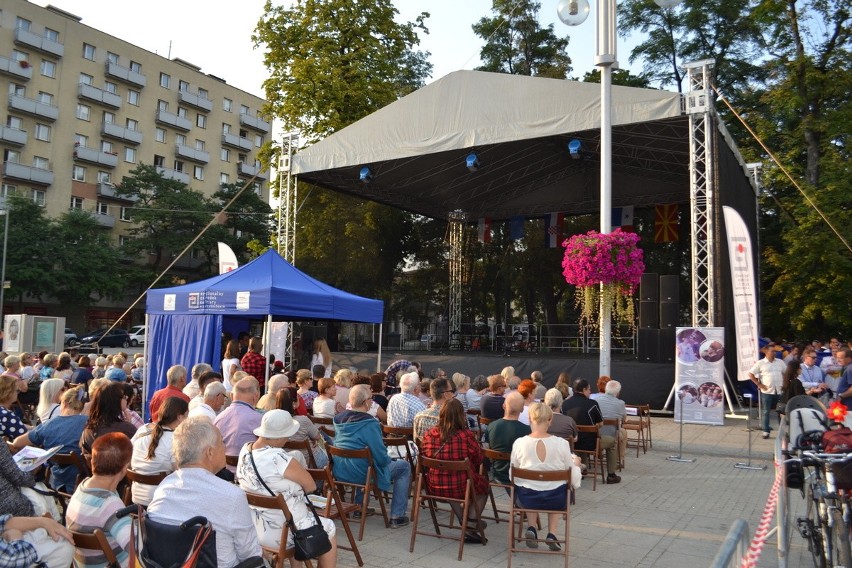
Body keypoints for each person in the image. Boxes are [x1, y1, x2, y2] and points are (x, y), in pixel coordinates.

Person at [148, 417, 264, 567]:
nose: (225, 447)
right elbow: (250, 554)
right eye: (222, 442)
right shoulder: (232, 496)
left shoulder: (164, 488)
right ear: (209, 452)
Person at [237, 410, 338, 567]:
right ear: (280, 436)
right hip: (284, 531)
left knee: (294, 516)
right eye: (287, 435)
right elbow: (310, 485)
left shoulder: (245, 450)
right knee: (328, 528)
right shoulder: (278, 457)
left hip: (255, 528)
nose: (287, 439)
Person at [333, 385, 412, 528]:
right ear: (366, 402)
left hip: (341, 470)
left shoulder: (338, 419)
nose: (372, 401)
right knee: (404, 467)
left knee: (361, 458)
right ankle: (397, 516)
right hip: (363, 472)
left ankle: (359, 507)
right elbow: (381, 458)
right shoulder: (370, 423)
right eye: (371, 398)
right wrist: (389, 461)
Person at [511, 402, 582, 551]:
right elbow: (573, 478)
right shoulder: (561, 444)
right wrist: (576, 465)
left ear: (530, 419)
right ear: (550, 420)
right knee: (560, 485)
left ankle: (531, 527)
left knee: (528, 483)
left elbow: (513, 475)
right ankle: (552, 534)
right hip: (556, 499)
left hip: (526, 499)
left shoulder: (519, 443)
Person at [420, 399, 488, 543]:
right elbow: (478, 459)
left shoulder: (429, 434)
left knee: (454, 482)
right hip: (460, 485)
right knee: (483, 488)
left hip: (434, 486)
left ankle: (468, 523)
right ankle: (469, 524)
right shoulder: (466, 436)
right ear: (460, 416)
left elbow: (424, 455)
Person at [66, 433, 133, 567]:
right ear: (125, 468)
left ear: (92, 462)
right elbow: (136, 547)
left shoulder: (82, 488)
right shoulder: (109, 505)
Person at [12, 386, 88, 493]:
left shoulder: (49, 424)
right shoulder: (88, 423)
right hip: (82, 480)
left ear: (64, 403)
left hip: (57, 481)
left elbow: (17, 443)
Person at [130, 397, 189, 506]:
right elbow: (181, 473)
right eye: (187, 415)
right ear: (180, 417)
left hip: (136, 497)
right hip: (160, 500)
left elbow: (128, 452)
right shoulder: (174, 439)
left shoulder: (143, 429)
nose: (188, 419)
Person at [562, 379, 620, 484]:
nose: (590, 392)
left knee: (581, 438)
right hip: (590, 443)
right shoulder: (592, 404)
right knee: (612, 442)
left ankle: (581, 471)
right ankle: (611, 475)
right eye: (589, 389)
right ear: (584, 390)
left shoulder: (565, 404)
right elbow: (601, 423)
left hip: (571, 442)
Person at [79, 382, 137, 464]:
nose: (126, 398)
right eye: (124, 397)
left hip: (94, 471)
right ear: (116, 401)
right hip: (118, 473)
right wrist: (129, 423)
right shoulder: (126, 429)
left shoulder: (88, 427)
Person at [276, 388, 328, 468]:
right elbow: (317, 437)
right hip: (308, 461)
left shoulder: (273, 420)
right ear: (293, 403)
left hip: (283, 462)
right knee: (326, 449)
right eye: (298, 397)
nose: (300, 398)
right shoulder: (303, 420)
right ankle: (319, 480)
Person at [486, 392, 531, 485]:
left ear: (503, 406)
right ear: (522, 409)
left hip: (497, 474)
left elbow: (487, 446)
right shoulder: (527, 431)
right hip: (519, 476)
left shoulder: (491, 426)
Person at [0, 513, 74, 567]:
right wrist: (15, 537)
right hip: (19, 550)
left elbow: (3, 523)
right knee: (64, 548)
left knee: (63, 545)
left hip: (21, 531)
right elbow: (14, 560)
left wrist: (44, 522)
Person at [214, 377, 262, 459]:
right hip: (249, 469)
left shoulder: (218, 419)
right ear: (256, 396)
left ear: (232, 396)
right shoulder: (259, 419)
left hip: (222, 468)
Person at [748, 343, 787, 438]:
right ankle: (766, 431)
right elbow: (750, 374)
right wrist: (759, 384)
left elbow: (786, 373)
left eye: (775, 351)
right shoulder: (760, 363)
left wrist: (785, 385)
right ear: (766, 352)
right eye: (772, 351)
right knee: (766, 411)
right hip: (767, 391)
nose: (774, 353)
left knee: (781, 412)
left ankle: (782, 431)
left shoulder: (780, 362)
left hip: (779, 390)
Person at [594, 380, 627, 463]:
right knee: (624, 432)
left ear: (606, 389)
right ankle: (618, 459)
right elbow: (624, 419)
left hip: (596, 434)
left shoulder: (596, 400)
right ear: (618, 392)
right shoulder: (620, 403)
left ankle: (598, 454)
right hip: (613, 434)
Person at [0, 374, 29, 441]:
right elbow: (24, 439)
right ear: (8, 393)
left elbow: (11, 425)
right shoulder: (6, 415)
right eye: (17, 390)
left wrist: (31, 427)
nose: (18, 393)